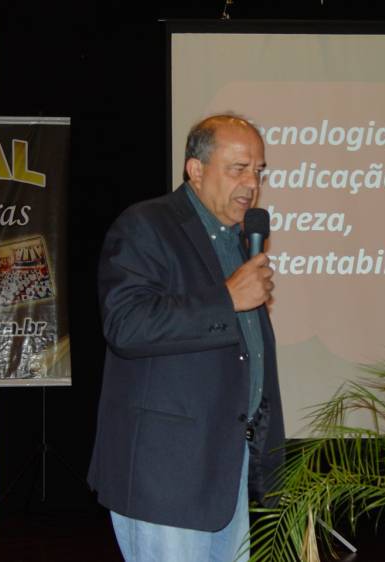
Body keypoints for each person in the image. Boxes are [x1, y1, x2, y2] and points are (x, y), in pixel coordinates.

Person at [88, 114, 285, 562]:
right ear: (195, 170)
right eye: (238, 169)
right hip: (167, 473)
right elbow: (126, 325)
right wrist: (226, 299)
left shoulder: (237, 242)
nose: (251, 184)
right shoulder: (147, 225)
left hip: (226, 464)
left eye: (258, 171)